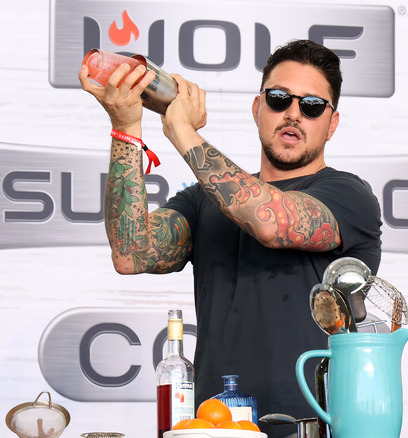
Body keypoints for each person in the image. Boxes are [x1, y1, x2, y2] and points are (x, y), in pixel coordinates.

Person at [79, 40, 382, 438]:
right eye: (278, 99)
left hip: (313, 427)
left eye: (311, 106)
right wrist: (126, 128)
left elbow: (270, 222)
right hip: (211, 428)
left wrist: (182, 129)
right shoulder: (204, 198)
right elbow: (131, 253)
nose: (293, 113)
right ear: (257, 108)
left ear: (333, 123)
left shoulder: (349, 195)